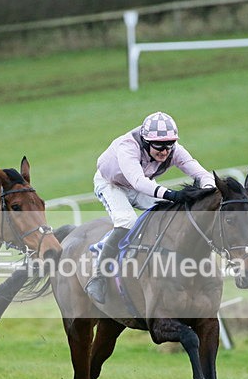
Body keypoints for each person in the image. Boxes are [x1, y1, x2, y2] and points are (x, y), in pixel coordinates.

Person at [85, 111, 216, 304]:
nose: (164, 152)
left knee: (171, 214)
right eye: (159, 147)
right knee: (127, 221)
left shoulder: (174, 149)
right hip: (112, 185)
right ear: (146, 142)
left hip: (142, 185)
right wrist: (171, 194)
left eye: (169, 146)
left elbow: (201, 173)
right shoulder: (127, 146)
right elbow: (138, 181)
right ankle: (98, 276)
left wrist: (206, 191)